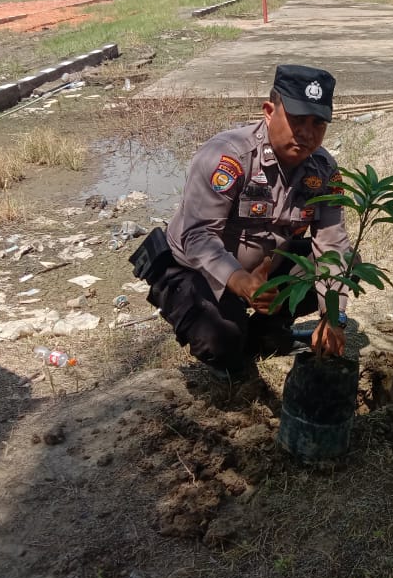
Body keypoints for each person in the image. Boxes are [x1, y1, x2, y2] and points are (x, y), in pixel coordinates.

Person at [129, 64, 351, 378]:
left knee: (339, 266)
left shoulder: (323, 170)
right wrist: (241, 282)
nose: (307, 133)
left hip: (265, 269)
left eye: (318, 123)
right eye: (297, 119)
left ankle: (266, 332)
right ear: (269, 112)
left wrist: (333, 316)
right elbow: (198, 236)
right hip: (196, 269)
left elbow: (332, 244)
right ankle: (231, 337)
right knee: (223, 341)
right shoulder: (228, 157)